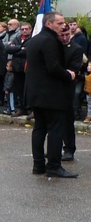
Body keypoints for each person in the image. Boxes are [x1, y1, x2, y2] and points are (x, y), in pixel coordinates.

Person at [26, 11, 78, 177]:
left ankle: (38, 165)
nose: (63, 26)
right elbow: (53, 67)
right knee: (55, 129)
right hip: (50, 93)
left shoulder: (34, 40)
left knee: (40, 128)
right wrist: (69, 75)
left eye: (63, 23)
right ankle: (54, 166)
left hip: (35, 92)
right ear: (49, 24)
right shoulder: (50, 40)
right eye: (59, 23)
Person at [59, 28, 86, 162]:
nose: (64, 38)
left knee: (67, 120)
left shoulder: (76, 48)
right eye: (61, 35)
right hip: (52, 89)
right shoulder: (53, 46)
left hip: (66, 88)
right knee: (53, 121)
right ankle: (55, 148)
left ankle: (69, 148)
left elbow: (73, 69)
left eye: (67, 35)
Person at [5, 22, 32, 116]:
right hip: (17, 67)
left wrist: (16, 50)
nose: (24, 31)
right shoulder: (17, 38)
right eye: (22, 29)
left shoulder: (32, 39)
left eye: (26, 29)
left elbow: (29, 51)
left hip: (27, 68)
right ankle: (22, 108)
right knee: (19, 89)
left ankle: (31, 109)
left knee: (28, 89)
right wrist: (21, 48)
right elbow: (8, 49)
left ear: (30, 29)